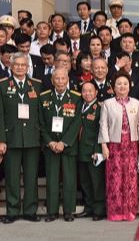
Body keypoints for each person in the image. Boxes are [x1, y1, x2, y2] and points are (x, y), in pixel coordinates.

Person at [0, 52, 42, 223]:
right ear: (11, 66)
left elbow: (41, 113)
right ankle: (12, 210)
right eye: (16, 64)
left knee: (31, 176)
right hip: (12, 137)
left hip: (32, 137)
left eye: (23, 65)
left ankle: (30, 210)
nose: (19, 67)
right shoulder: (3, 85)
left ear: (27, 67)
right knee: (12, 177)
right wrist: (1, 139)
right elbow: (0, 114)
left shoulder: (36, 85)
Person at [98, 70, 139, 221]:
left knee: (130, 178)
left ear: (129, 86)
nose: (122, 86)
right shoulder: (107, 103)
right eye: (119, 84)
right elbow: (103, 125)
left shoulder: (136, 103)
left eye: (125, 83)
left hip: (131, 145)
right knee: (115, 179)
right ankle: (116, 211)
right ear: (113, 86)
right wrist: (104, 145)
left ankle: (129, 210)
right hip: (114, 145)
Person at [39, 67, 82, 222]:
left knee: (70, 179)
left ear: (68, 80)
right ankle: (52, 211)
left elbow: (77, 122)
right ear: (52, 81)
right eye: (57, 78)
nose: (60, 82)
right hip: (51, 146)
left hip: (68, 145)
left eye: (63, 78)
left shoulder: (76, 97)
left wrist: (64, 142)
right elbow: (41, 122)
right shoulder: (43, 97)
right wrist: (50, 142)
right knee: (52, 179)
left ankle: (69, 211)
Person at [75, 81, 105, 221]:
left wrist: (98, 151)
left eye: (90, 91)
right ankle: (89, 208)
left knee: (96, 182)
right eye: (84, 91)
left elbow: (102, 131)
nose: (87, 93)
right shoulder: (79, 106)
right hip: (80, 151)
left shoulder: (100, 108)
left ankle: (99, 210)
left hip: (94, 151)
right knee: (85, 182)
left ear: (96, 92)